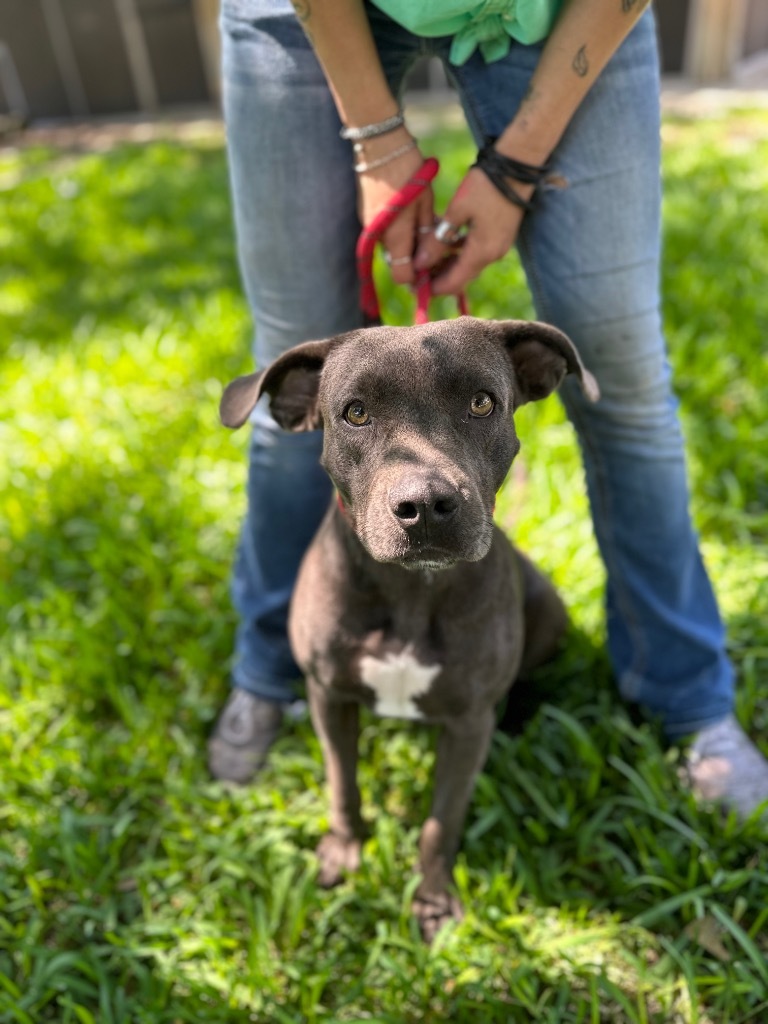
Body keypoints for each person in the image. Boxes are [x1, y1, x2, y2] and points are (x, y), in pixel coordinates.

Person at [207, 0, 768, 819]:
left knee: (626, 380)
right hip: (308, 13)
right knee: (294, 345)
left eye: (480, 402)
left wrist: (514, 169)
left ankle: (688, 696)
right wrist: (375, 137)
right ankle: (274, 666)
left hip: (569, 14)